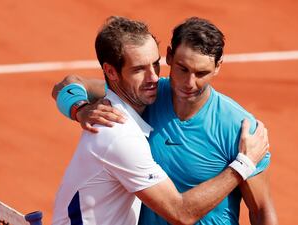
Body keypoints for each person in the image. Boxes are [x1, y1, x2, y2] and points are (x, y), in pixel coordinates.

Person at [52, 16, 270, 225]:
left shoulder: (239, 128)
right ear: (170, 57)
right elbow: (70, 83)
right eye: (182, 69)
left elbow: (261, 210)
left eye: (201, 73)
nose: (189, 83)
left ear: (218, 66)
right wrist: (79, 109)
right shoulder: (147, 96)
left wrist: (245, 162)